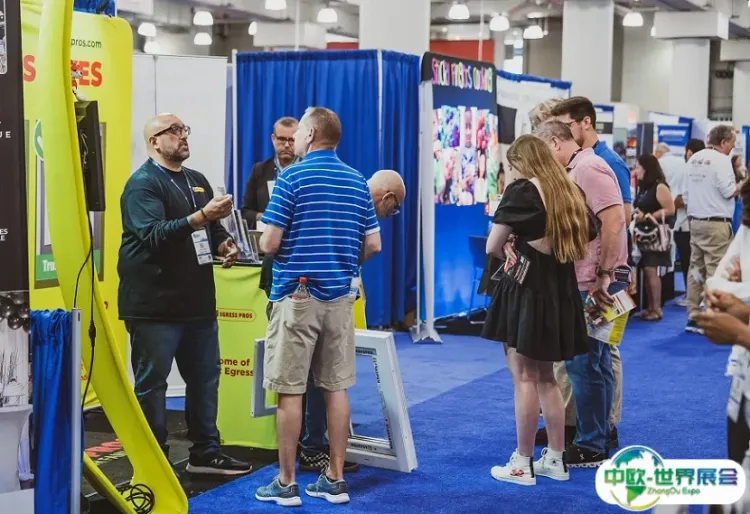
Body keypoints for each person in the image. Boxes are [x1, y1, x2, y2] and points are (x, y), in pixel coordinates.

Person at [255, 107, 382, 507]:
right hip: (340, 296)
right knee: (336, 388)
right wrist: (340, 263)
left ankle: (286, 482)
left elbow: (269, 243)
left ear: (310, 134)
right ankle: (335, 478)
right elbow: (373, 244)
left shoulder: (291, 177)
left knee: (290, 390)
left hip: (297, 296)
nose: (293, 140)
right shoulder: (357, 181)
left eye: (297, 134)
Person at [118, 114, 251, 475]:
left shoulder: (197, 180)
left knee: (205, 380)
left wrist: (225, 243)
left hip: (197, 302)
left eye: (184, 129)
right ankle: (153, 460)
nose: (182, 136)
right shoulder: (142, 185)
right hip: (154, 305)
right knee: (153, 385)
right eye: (173, 131)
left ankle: (205, 452)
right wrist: (201, 216)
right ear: (154, 142)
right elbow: (154, 235)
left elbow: (212, 229)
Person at [482, 134, 593, 485]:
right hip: (561, 290)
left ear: (522, 162)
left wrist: (517, 243)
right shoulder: (569, 190)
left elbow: (492, 245)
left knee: (525, 377)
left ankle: (522, 463)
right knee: (547, 377)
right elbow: (589, 232)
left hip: (528, 291)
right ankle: (556, 459)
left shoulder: (523, 191)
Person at [293, 168, 404, 476]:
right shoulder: (358, 199)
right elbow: (374, 246)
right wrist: (345, 265)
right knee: (324, 376)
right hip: (323, 296)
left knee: (306, 375)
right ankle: (313, 448)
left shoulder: (333, 191)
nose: (389, 214)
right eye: (393, 209)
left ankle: (307, 448)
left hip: (301, 291)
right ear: (387, 198)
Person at [535, 119, 629, 467]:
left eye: (545, 152)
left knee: (585, 363)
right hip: (593, 279)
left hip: (595, 282)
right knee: (595, 362)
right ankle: (599, 432)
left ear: (556, 142)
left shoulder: (589, 168)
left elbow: (615, 221)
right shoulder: (580, 168)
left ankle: (591, 444)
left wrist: (604, 274)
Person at [684, 124, 739, 334]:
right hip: (716, 224)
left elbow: (686, 195)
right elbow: (728, 191)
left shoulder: (694, 159)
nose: (732, 148)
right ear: (723, 142)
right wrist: (744, 186)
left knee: (695, 269)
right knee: (716, 270)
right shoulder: (722, 160)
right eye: (732, 144)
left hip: (695, 221)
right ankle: (711, 316)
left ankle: (693, 315)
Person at [632, 154, 676, 321]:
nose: (636, 171)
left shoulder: (660, 187)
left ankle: (656, 309)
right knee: (646, 270)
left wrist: (648, 216)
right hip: (643, 235)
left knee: (651, 270)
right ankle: (650, 307)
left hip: (656, 236)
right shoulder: (645, 187)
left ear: (647, 168)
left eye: (638, 167)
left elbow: (670, 209)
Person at [241, 116, 299, 230]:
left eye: (292, 140)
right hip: (266, 234)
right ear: (273, 139)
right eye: (282, 139)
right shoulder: (259, 170)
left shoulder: (307, 171)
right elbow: (245, 212)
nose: (287, 145)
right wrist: (264, 217)